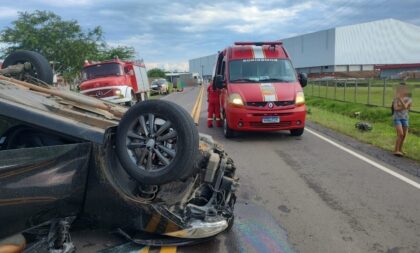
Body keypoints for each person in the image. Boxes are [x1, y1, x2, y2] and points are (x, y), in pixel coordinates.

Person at [392, 84, 412, 157]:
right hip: (397, 118)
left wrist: (401, 104)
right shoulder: (395, 99)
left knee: (404, 136)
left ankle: (400, 150)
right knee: (400, 134)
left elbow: (407, 107)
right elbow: (396, 108)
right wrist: (402, 104)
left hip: (405, 118)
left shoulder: (409, 98)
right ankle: (396, 150)